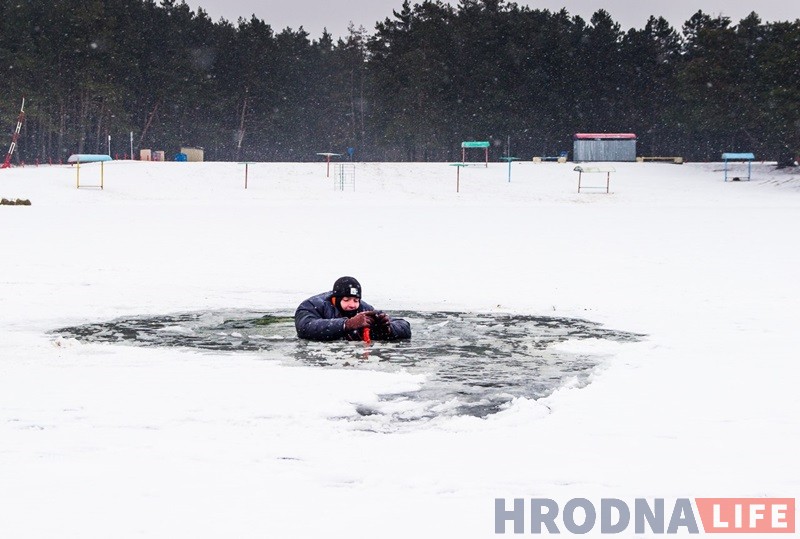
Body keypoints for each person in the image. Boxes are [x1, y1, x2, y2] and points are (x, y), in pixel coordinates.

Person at [295, 276, 411, 341]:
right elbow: (304, 328)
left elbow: (404, 326)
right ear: (335, 299)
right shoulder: (311, 305)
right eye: (346, 300)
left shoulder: (364, 308)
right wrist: (347, 324)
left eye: (356, 300)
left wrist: (388, 330)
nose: (352, 305)